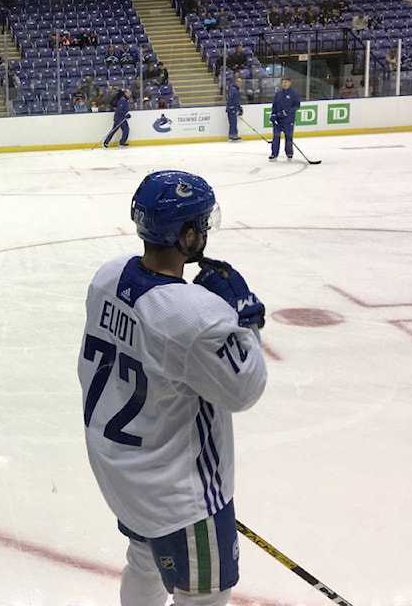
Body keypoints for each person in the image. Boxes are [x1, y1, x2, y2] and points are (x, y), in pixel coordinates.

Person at [78, 169, 267, 606]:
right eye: (201, 224)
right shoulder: (192, 317)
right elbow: (246, 386)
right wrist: (246, 318)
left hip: (126, 474)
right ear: (185, 234)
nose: (204, 231)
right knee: (205, 595)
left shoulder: (108, 276)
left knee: (144, 563)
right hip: (180, 496)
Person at [269, 77, 301, 161]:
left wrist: (287, 112)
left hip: (288, 120)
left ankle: (289, 153)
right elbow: (274, 105)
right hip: (278, 120)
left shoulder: (294, 94)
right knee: (276, 136)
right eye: (283, 82)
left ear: (290, 83)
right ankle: (274, 153)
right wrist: (273, 115)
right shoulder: (278, 93)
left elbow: (297, 106)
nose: (284, 84)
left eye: (286, 82)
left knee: (288, 137)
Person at [226, 75, 243, 141]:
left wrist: (239, 108)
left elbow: (237, 101)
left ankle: (234, 134)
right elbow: (230, 99)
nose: (240, 84)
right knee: (232, 122)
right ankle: (231, 135)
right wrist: (231, 108)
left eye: (241, 82)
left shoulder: (236, 90)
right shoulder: (233, 90)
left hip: (234, 109)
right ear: (236, 82)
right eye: (239, 82)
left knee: (234, 122)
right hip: (231, 110)